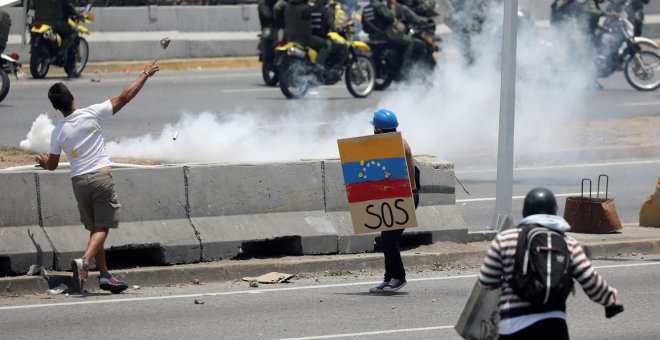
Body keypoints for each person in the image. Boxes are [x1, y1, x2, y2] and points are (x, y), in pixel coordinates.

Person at [35, 60, 160, 294]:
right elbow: (125, 97)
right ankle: (85, 262)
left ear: (56, 108)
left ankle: (104, 276)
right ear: (72, 97)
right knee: (103, 227)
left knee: (95, 230)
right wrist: (145, 74)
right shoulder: (93, 113)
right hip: (101, 179)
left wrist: (43, 162)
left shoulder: (58, 131)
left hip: (79, 183)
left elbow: (52, 165)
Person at [478, 187, 624, 339]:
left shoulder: (505, 240)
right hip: (553, 327)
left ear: (524, 212)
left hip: (513, 327)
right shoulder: (568, 243)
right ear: (554, 212)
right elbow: (590, 281)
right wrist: (611, 300)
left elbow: (486, 281)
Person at [368, 109, 419, 294]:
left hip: (406, 196)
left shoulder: (395, 146)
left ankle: (398, 277)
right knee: (386, 237)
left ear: (379, 130)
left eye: (375, 128)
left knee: (389, 239)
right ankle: (389, 278)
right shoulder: (393, 143)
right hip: (396, 196)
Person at [362, 0, 415, 74]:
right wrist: (392, 8)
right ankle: (405, 70)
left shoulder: (365, 9)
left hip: (372, 37)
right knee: (409, 41)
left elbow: (364, 28)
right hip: (384, 36)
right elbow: (391, 16)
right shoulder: (379, 6)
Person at [30, 0, 81, 70]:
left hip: (38, 21)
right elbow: (68, 6)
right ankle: (63, 53)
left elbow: (32, 5)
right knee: (73, 31)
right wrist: (77, 14)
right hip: (55, 23)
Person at [284, 0, 332, 69]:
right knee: (325, 44)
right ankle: (318, 68)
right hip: (304, 39)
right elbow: (314, 9)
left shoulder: (288, 6)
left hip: (290, 38)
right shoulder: (303, 9)